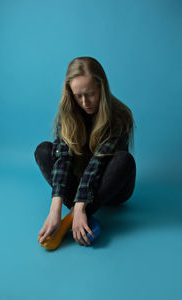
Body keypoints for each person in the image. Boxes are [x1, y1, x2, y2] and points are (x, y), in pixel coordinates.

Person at [34, 56, 136, 249]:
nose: (84, 101)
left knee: (124, 160)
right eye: (77, 95)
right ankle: (79, 211)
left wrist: (78, 208)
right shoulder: (67, 113)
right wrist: (55, 210)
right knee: (43, 151)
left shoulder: (120, 116)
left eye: (90, 94)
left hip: (112, 186)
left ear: (102, 89)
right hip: (81, 185)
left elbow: (99, 162)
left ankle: (76, 213)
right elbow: (62, 159)